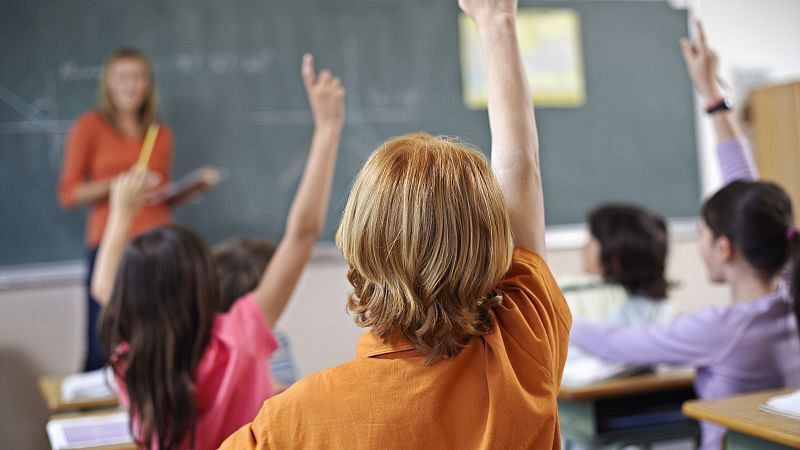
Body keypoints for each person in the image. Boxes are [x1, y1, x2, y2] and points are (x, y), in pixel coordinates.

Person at [221, 0, 571, 448]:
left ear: (358, 252)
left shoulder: (290, 422)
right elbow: (520, 168)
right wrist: (496, 21)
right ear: (491, 252)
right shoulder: (524, 354)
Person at [90, 54, 346, 449]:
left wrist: (121, 213)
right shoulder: (238, 338)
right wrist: (327, 128)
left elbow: (103, 285)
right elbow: (303, 233)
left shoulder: (132, 359)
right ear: (205, 282)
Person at [570, 21, 800, 450]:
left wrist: (546, 306)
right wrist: (712, 96)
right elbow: (748, 200)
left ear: (724, 248)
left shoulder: (720, 329)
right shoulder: (790, 296)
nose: (699, 247)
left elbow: (616, 343)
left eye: (701, 235)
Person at [57, 48, 217, 371]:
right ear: (109, 84)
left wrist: (189, 189)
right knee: (104, 341)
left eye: (138, 77)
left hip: (158, 248)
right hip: (111, 246)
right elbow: (69, 193)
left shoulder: (160, 133)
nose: (131, 85)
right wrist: (122, 183)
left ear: (148, 83)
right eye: (122, 77)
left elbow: (158, 198)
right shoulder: (89, 126)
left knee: (156, 338)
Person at [582, 204, 672, 326]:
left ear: (614, 253)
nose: (584, 247)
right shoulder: (655, 307)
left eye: (591, 239)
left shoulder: (619, 320)